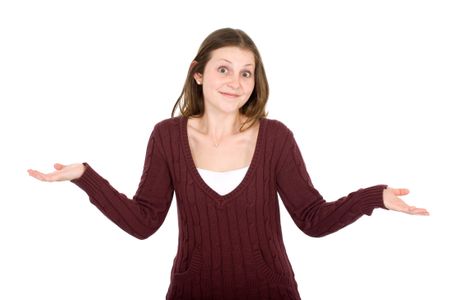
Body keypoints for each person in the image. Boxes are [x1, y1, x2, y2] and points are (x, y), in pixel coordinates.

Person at [27, 28, 429, 300]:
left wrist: (373, 197)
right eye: (224, 69)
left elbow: (312, 218)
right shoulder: (167, 137)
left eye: (246, 73)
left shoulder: (275, 138)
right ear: (198, 74)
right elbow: (144, 222)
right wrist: (85, 176)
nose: (235, 82)